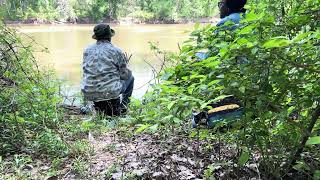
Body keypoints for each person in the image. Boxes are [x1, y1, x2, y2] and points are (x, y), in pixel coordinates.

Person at [81, 24, 134, 116]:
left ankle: (89, 106)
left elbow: (87, 70)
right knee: (130, 77)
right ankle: (124, 108)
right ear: (110, 37)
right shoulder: (116, 51)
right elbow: (124, 75)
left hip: (88, 92)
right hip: (110, 92)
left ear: (96, 37)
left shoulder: (87, 50)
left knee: (88, 78)